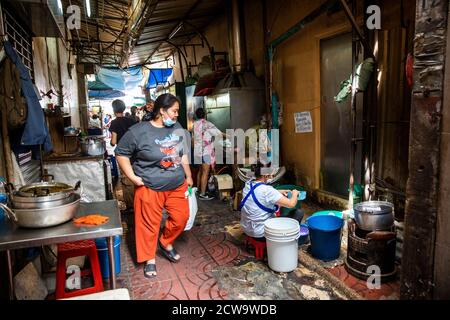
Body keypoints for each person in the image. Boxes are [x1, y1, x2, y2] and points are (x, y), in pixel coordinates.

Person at [115, 93, 193, 279]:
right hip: (150, 185)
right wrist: (133, 177)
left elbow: (182, 154)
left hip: (176, 184)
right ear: (161, 111)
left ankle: (165, 242)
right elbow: (121, 153)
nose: (176, 115)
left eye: (177, 112)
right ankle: (149, 258)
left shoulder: (177, 127)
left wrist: (188, 175)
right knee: (148, 225)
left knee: (182, 218)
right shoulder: (138, 131)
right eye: (174, 111)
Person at [239, 162, 304, 240]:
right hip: (262, 233)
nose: (271, 175)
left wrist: (279, 191)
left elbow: (259, 193)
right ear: (265, 175)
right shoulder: (267, 191)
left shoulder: (248, 184)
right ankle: (287, 240)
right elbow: (291, 204)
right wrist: (294, 193)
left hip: (247, 228)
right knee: (298, 213)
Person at [109, 100, 138, 212]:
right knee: (136, 176)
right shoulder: (131, 121)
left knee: (127, 179)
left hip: (123, 155)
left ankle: (131, 205)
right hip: (135, 153)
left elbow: (113, 141)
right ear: (124, 108)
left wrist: (112, 142)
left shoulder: (115, 123)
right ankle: (139, 202)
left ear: (114, 109)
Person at [192, 107, 224, 200]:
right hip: (205, 151)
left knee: (200, 171)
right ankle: (202, 193)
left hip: (197, 151)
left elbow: (193, 139)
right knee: (205, 172)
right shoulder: (208, 124)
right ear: (205, 114)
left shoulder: (195, 124)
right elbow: (219, 133)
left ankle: (198, 190)